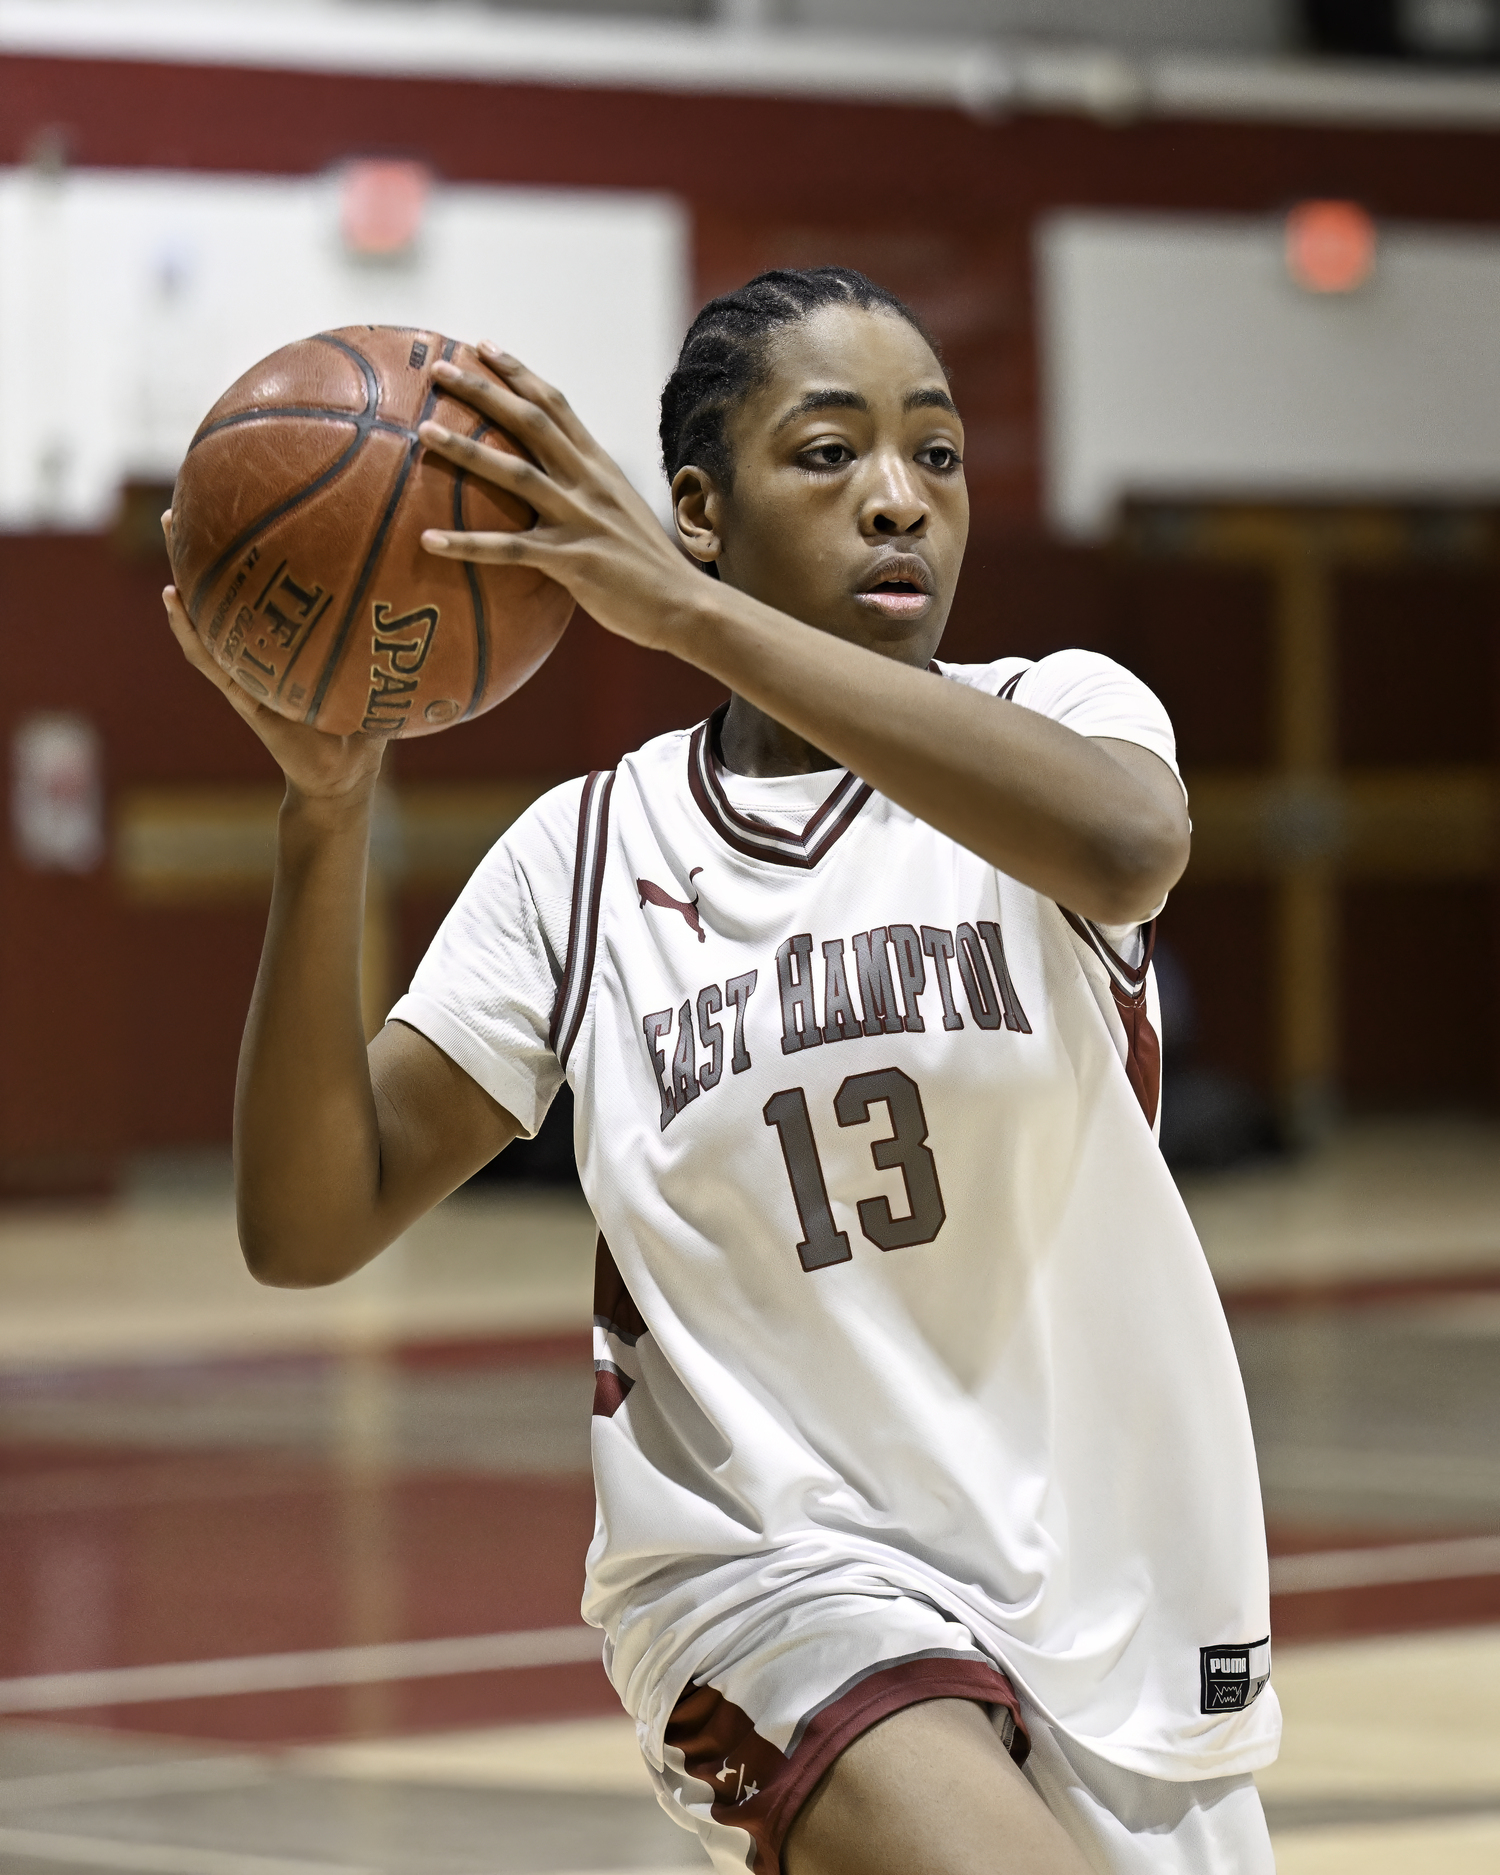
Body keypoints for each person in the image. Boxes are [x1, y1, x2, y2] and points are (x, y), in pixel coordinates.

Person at [162, 267, 1278, 1875]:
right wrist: (325, 810)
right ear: (693, 508)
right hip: (760, 1580)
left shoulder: (1063, 712)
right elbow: (310, 1223)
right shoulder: (587, 857)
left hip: (1105, 1587)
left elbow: (1122, 845)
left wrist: (688, 620)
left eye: (938, 456)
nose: (898, 500)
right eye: (828, 455)